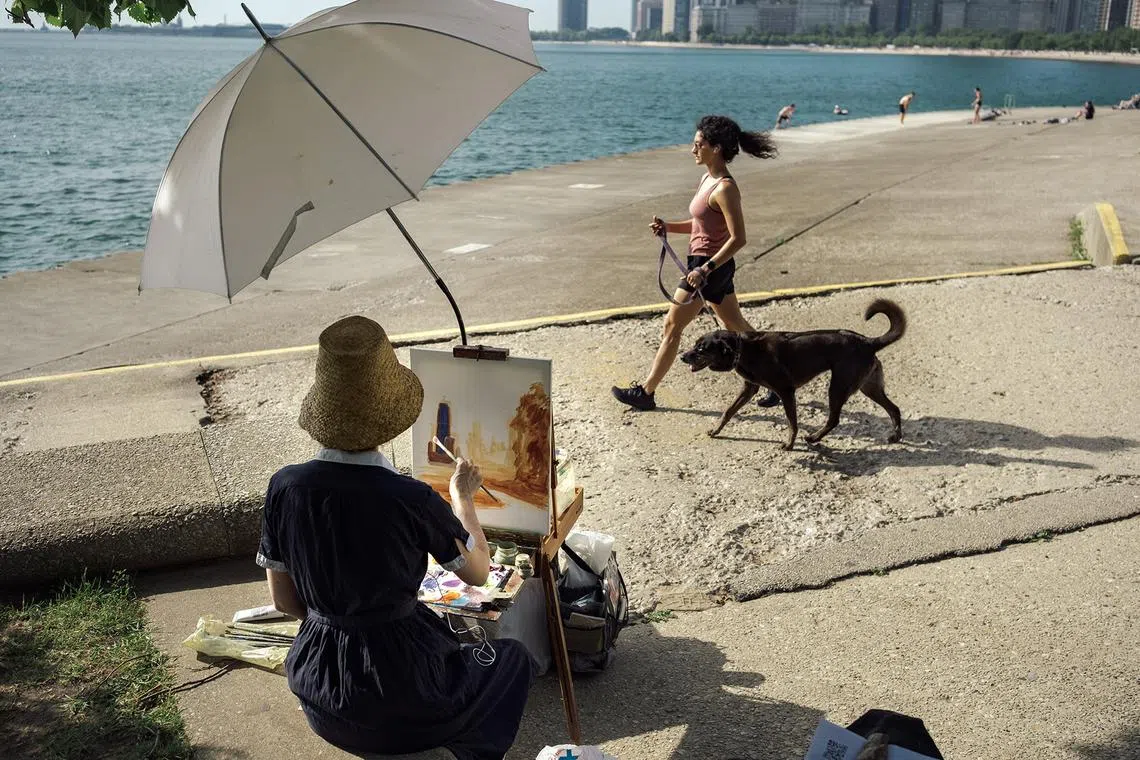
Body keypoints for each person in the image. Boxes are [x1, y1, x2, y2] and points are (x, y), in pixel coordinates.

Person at [258, 315, 536, 760]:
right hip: (403, 701)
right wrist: (463, 500)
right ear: (389, 419)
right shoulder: (409, 497)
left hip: (320, 696)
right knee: (511, 659)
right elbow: (480, 573)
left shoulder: (284, 486)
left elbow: (286, 604)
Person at [612, 114, 780, 412]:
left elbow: (738, 238)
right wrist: (669, 227)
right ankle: (777, 377)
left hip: (707, 268)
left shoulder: (726, 188)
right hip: (703, 265)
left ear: (715, 148)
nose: (693, 149)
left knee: (672, 326)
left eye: (698, 144)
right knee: (736, 326)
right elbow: (700, 224)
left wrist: (705, 269)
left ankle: (647, 392)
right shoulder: (707, 178)